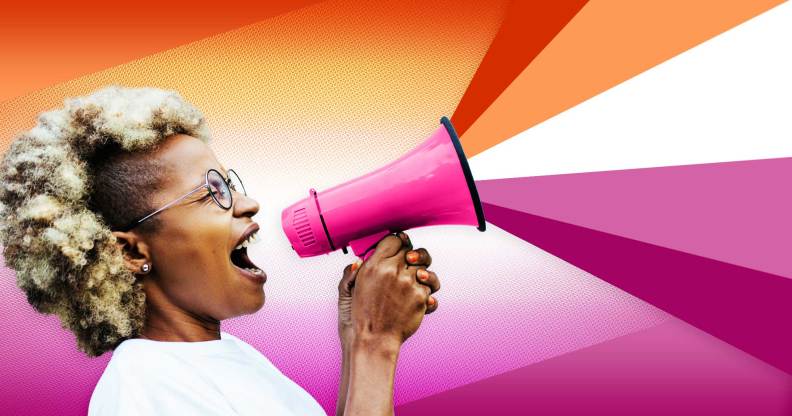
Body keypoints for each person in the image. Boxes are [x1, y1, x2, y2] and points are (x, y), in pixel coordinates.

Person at [0, 86, 441, 415]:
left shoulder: (227, 358)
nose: (247, 204)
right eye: (211, 193)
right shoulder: (144, 392)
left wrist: (355, 338)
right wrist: (375, 342)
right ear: (130, 254)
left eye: (229, 185)